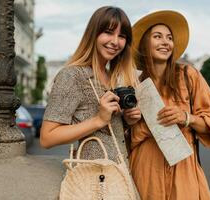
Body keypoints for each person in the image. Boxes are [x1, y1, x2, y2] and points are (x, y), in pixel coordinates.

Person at [129, 10, 210, 200]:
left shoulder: (188, 75)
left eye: (169, 38)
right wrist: (131, 120)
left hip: (183, 165)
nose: (165, 42)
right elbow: (125, 136)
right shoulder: (134, 85)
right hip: (145, 165)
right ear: (144, 43)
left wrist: (186, 118)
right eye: (157, 37)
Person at [40, 6, 141, 164]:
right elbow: (47, 138)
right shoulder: (72, 75)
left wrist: (126, 121)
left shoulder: (111, 78)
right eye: (108, 32)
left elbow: (108, 136)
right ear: (93, 34)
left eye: (122, 36)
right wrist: (98, 120)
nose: (115, 42)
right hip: (94, 180)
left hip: (120, 176)